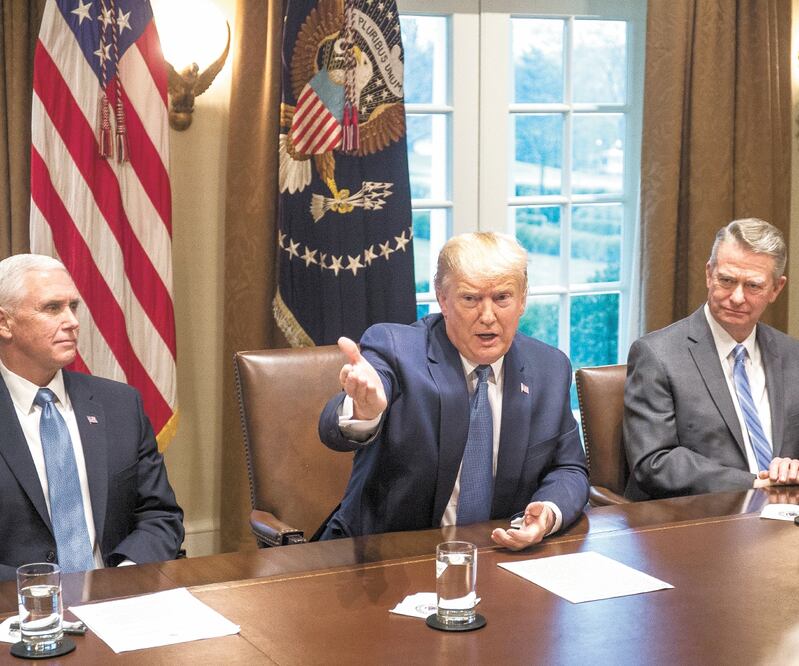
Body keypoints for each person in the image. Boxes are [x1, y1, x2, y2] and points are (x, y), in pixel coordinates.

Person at [317, 232, 589, 550]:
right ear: (443, 299)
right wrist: (365, 410)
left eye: (502, 298)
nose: (488, 316)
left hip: (496, 555)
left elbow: (569, 468)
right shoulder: (396, 349)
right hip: (387, 558)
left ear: (523, 299)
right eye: (470, 299)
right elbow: (332, 429)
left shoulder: (549, 368)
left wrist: (548, 512)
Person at [0, 254, 184, 581]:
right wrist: (40, 593)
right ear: (4, 323)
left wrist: (123, 578)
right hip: (16, 611)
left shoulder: (119, 405)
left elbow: (160, 515)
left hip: (119, 600)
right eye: (52, 308)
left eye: (74, 306)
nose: (72, 321)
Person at [623, 218, 799, 500]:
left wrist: (793, 471)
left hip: (785, 519)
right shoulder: (657, 355)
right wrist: (754, 483)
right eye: (726, 280)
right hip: (703, 519)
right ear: (709, 274)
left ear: (776, 289)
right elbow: (654, 461)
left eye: (753, 286)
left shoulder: (792, 355)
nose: (737, 297)